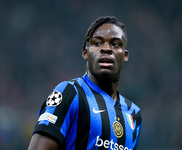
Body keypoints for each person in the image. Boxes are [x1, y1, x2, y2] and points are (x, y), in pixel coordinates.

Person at [28, 16, 142, 150]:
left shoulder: (134, 114)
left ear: (125, 55)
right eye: (97, 43)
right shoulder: (70, 93)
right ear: (85, 52)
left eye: (115, 44)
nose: (106, 49)